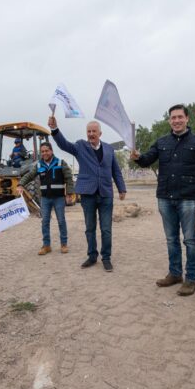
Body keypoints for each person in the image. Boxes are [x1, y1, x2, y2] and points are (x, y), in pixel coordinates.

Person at [131, 104, 195, 296]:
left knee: (190, 240)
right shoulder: (161, 142)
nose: (176, 121)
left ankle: (191, 278)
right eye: (173, 118)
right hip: (165, 198)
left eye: (179, 117)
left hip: (189, 198)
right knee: (171, 239)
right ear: (169, 120)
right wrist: (137, 157)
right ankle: (175, 274)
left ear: (187, 119)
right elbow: (146, 160)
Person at [48, 116, 126, 272]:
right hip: (88, 194)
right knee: (90, 228)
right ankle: (92, 256)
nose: (91, 134)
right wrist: (55, 129)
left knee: (106, 229)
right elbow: (64, 144)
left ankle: (106, 258)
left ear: (100, 133)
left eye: (94, 131)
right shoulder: (80, 146)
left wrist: (121, 188)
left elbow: (115, 170)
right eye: (88, 131)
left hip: (105, 194)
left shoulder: (109, 149)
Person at [17, 142, 75, 255]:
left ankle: (64, 244)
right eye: (42, 151)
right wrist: (20, 184)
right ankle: (46, 245)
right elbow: (29, 176)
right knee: (45, 222)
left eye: (46, 151)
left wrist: (69, 193)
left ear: (51, 151)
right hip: (45, 199)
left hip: (58, 198)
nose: (44, 153)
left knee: (61, 221)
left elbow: (68, 178)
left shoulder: (60, 163)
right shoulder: (38, 165)